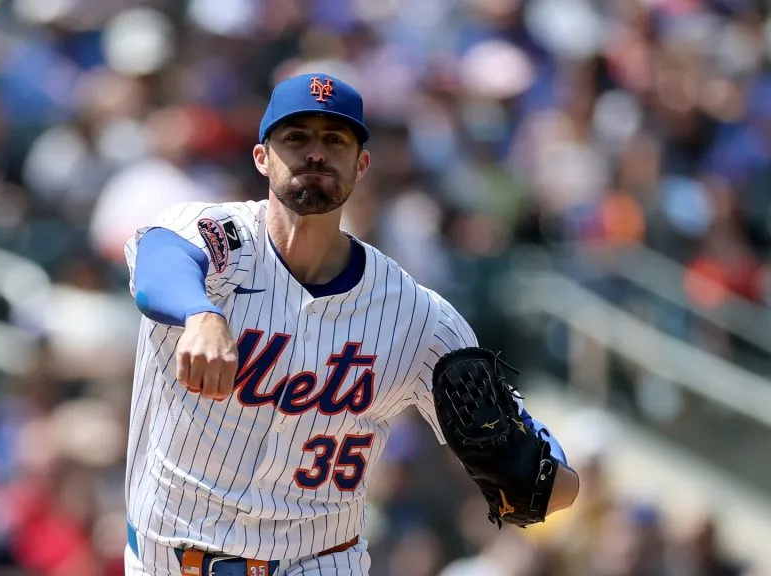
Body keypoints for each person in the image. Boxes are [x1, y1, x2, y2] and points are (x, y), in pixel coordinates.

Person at [122, 72, 579, 576]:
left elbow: (547, 483)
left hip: (318, 562)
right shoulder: (218, 239)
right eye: (295, 137)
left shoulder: (415, 316)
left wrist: (535, 472)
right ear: (262, 157)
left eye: (334, 140)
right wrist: (201, 314)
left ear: (361, 165)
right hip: (168, 559)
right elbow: (158, 265)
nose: (315, 153)